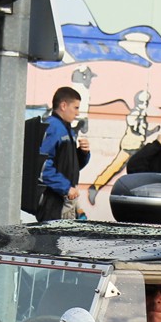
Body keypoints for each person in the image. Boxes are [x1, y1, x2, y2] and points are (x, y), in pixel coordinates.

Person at [35, 87, 92, 221]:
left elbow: (70, 166)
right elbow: (42, 164)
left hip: (61, 198)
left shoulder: (65, 129)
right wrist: (66, 188)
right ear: (64, 105)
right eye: (76, 107)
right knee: (54, 239)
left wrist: (83, 153)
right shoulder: (53, 127)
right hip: (54, 200)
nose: (77, 113)